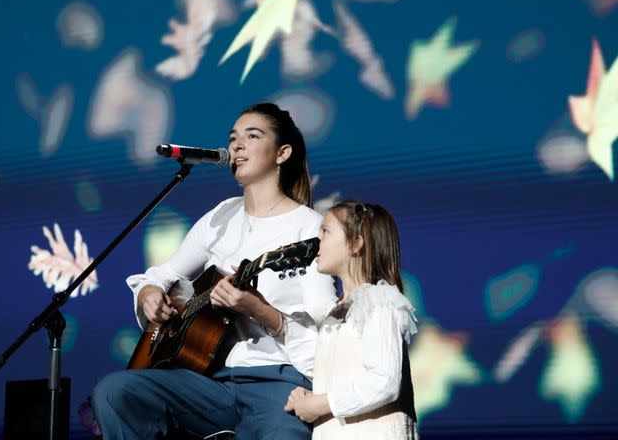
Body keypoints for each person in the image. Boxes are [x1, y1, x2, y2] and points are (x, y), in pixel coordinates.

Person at [90, 103, 338, 440]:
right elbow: (161, 275)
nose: (237, 146)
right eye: (233, 138)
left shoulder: (310, 230)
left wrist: (260, 310)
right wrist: (150, 293)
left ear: (283, 153)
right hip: (210, 382)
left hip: (280, 382)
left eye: (252, 136)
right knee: (115, 391)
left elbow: (328, 333)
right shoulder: (221, 216)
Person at [284, 201, 418, 439]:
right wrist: (308, 400)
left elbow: (385, 381)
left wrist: (320, 405)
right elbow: (337, 372)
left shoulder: (380, 301)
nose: (318, 241)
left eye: (326, 231)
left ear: (356, 244)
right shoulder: (337, 312)